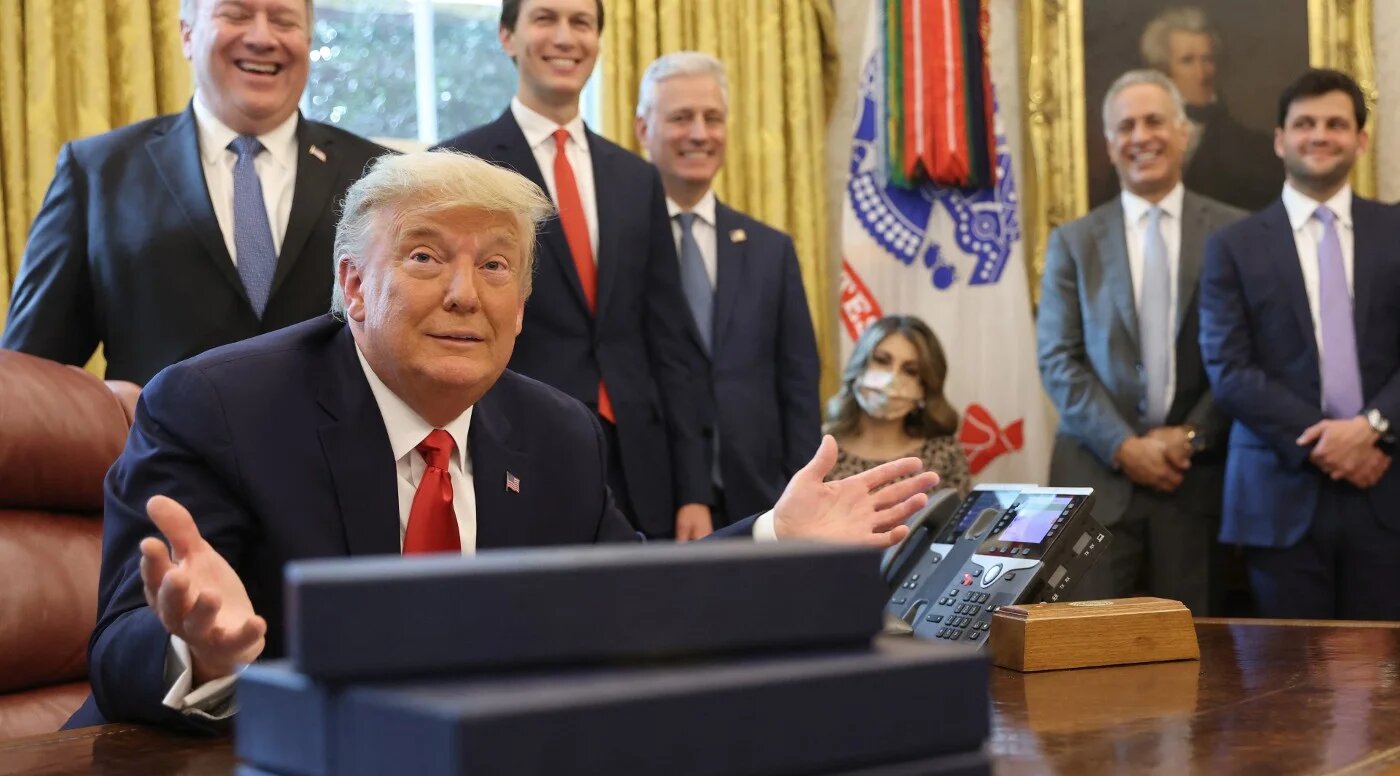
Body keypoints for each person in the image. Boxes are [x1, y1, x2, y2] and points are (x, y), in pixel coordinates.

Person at [79, 150, 937, 731]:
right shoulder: (215, 405)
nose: (465, 295)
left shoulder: (556, 432)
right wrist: (202, 649)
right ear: (352, 285)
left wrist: (775, 540)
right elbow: (118, 657)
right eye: (423, 258)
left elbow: (627, 592)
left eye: (495, 267)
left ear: (522, 305)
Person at [435, 0, 712, 542]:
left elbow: (669, 340)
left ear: (598, 43)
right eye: (546, 19)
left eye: (581, 23)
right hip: (515, 447)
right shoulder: (459, 166)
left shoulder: (637, 178)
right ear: (507, 37)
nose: (566, 37)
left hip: (640, 461)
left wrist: (695, 488)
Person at [0, 0, 388, 386]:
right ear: (187, 34)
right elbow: (29, 374)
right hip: (161, 445)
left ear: (307, 40)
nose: (261, 37)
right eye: (235, 15)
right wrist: (109, 408)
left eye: (283, 21)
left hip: (338, 446)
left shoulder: (380, 175)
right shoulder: (98, 172)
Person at [1037, 70, 1244, 615]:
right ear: (1109, 146)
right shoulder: (1073, 242)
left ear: (1183, 133)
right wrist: (1125, 446)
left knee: (1197, 667)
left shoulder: (1233, 234)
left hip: (1196, 484)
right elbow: (1059, 361)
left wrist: (1191, 437)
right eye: (1125, 126)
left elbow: (1242, 356)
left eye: (1154, 121)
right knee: (1087, 667)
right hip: (1097, 482)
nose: (1140, 136)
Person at [1199, 69, 1400, 620]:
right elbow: (1229, 368)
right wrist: (1329, 443)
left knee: (1387, 682)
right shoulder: (1232, 247)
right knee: (1285, 686)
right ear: (1279, 139)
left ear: (1360, 139)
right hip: (1277, 495)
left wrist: (1372, 427)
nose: (1320, 135)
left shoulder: (1396, 230)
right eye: (1304, 123)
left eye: (1336, 124)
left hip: (1386, 486)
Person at [632, 51, 821, 526]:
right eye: (681, 117)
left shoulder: (770, 249)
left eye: (712, 118)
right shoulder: (621, 246)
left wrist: (800, 491)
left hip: (760, 495)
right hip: (654, 501)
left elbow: (798, 384)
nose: (699, 133)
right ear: (642, 129)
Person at [1138, 5, 1278, 211]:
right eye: (1188, 61)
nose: (1202, 73)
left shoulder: (1254, 150)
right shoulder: (1137, 143)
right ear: (1163, 70)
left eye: (1207, 60)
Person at [823, 316, 970, 495]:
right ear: (859, 366)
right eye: (882, 360)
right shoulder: (818, 448)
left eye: (910, 371)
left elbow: (962, 521)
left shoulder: (945, 454)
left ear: (925, 388)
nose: (891, 380)